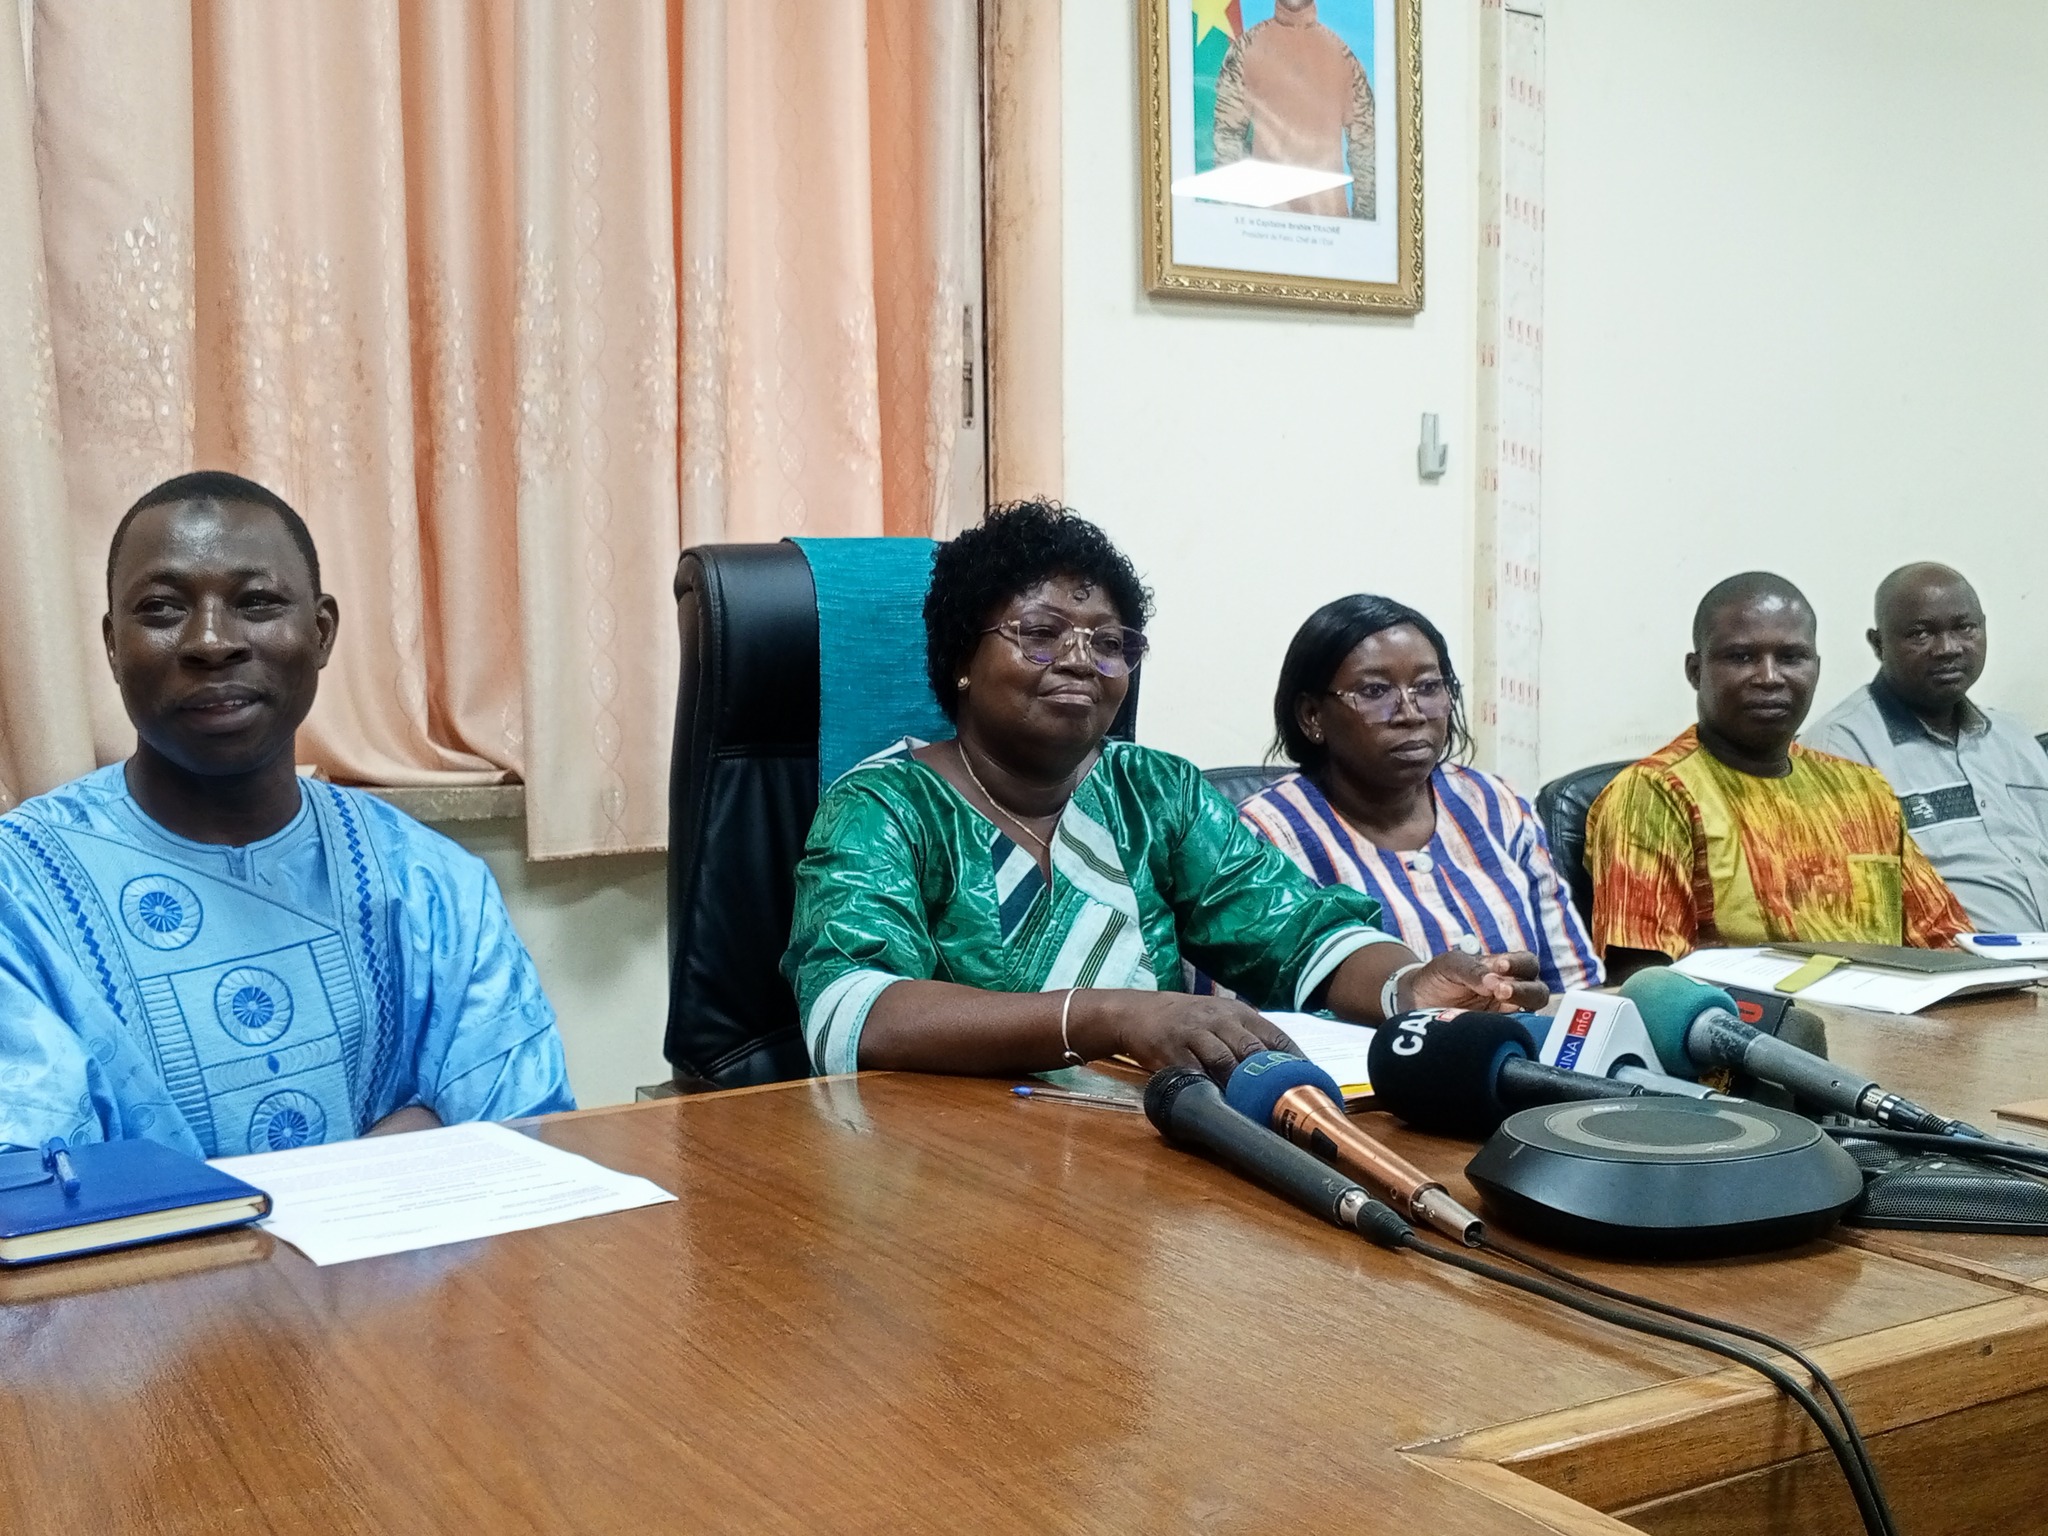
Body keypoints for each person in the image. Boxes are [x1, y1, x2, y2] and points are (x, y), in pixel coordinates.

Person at [782, 500, 1548, 1082]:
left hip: (1148, 1143)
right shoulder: (884, 806)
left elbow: (1297, 930)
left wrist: (1407, 985)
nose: (1080, 659)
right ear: (960, 659)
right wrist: (1111, 1016)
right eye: (1040, 635)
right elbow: (857, 1011)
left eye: (1108, 643)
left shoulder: (1154, 791)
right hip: (953, 1161)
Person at [0, 471, 573, 1156]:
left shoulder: (432, 885)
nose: (211, 641)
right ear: (113, 646)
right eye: (160, 608)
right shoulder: (19, 892)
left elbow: (524, 1141)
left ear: (321, 632)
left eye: (257, 602)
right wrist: (408, 1137)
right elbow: (36, 1183)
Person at [1585, 572, 1968, 977]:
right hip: (1744, 1017)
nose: (1769, 677)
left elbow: (1946, 942)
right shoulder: (1655, 794)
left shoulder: (1863, 789)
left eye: (1790, 657)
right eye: (1741, 657)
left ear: (1816, 668)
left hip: (1883, 1013)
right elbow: (1644, 981)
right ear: (1695, 671)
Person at [1240, 595, 1601, 994]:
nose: (1411, 713)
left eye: (1428, 687)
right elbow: (1241, 1014)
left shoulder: (1494, 805)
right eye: (1375, 691)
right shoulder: (1264, 838)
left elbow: (1575, 989)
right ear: (1312, 716)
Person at [1805, 563, 2048, 934]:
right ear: (1878, 644)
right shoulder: (1840, 750)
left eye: (1965, 627)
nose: (1948, 648)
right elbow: (1851, 911)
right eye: (1921, 633)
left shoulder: (2013, 738)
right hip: (1957, 966)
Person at [1212, 0, 1376, 220]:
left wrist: (1362, 225)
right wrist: (1237, 219)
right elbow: (1227, 138)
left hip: (1329, 228)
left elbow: (1366, 149)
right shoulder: (1246, 50)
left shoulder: (1343, 57)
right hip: (1264, 227)